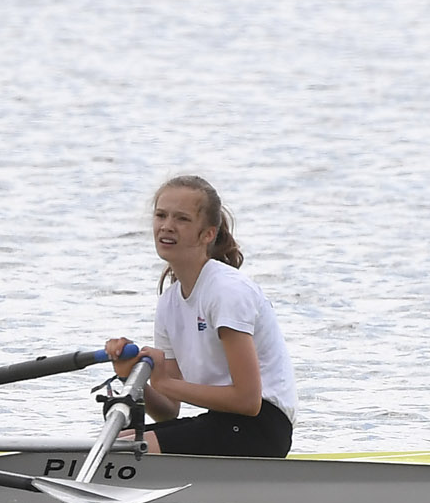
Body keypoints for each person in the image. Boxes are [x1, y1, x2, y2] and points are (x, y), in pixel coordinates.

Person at [103, 176, 296, 457]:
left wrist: (165, 382)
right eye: (161, 215)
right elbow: (168, 410)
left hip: (262, 428)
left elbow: (248, 401)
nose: (167, 226)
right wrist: (131, 375)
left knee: (122, 448)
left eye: (182, 219)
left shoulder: (226, 291)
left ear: (207, 234)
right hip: (221, 423)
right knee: (118, 438)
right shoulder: (169, 302)